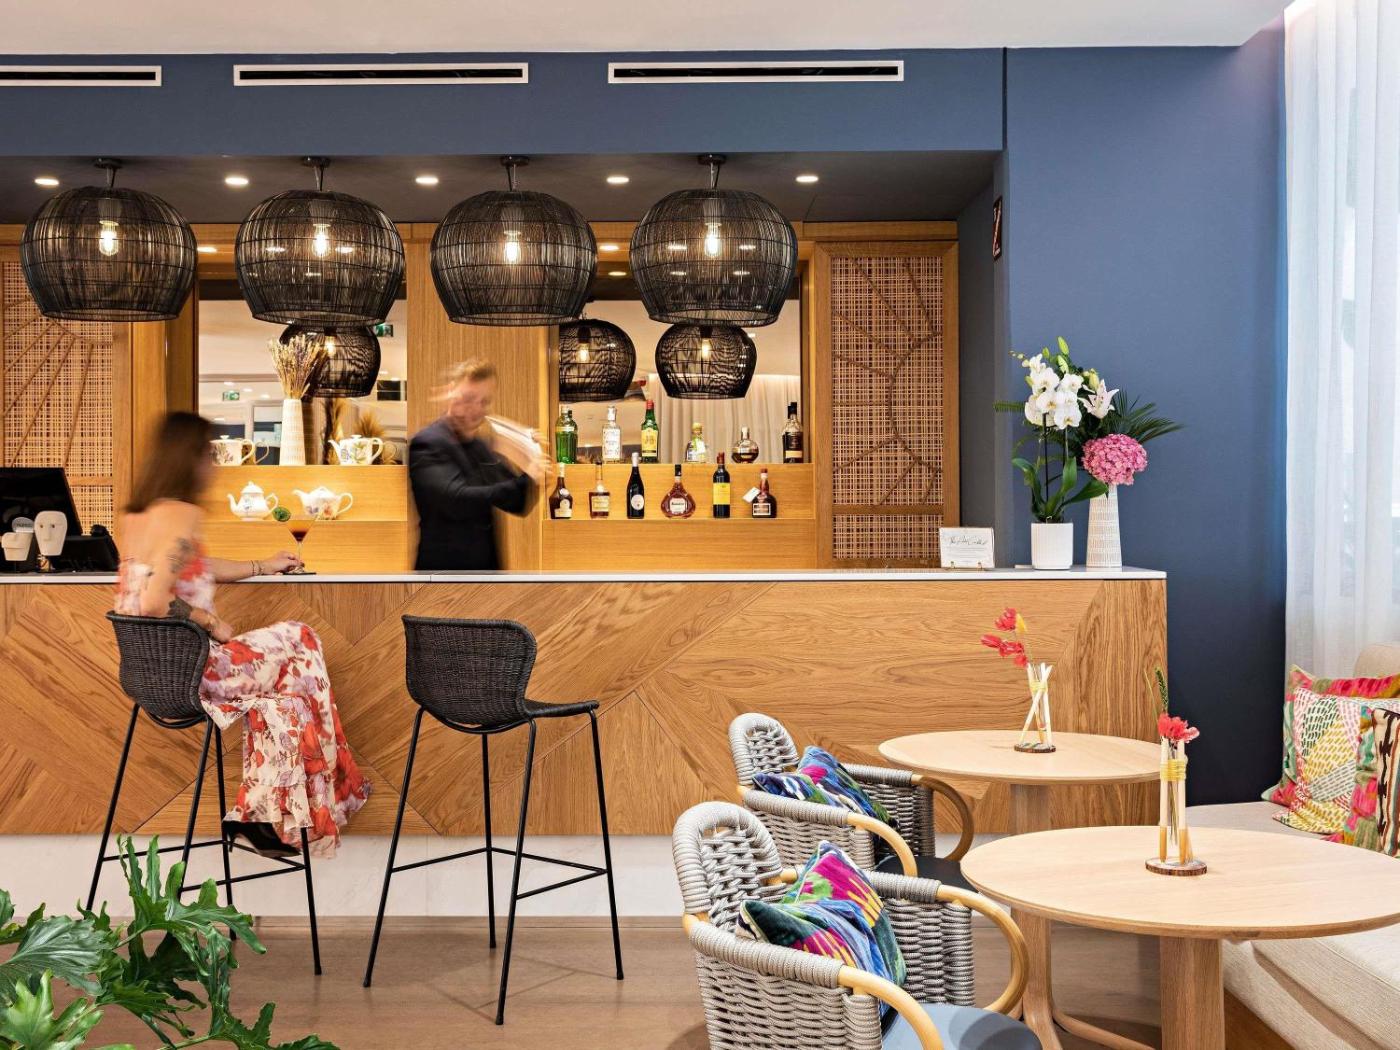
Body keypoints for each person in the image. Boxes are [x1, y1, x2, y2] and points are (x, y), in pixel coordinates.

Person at [113, 412, 371, 858]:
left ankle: (261, 817)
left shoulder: (136, 516)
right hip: (199, 670)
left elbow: (186, 569)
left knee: (286, 704)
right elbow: (154, 601)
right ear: (190, 458)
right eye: (209, 455)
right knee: (302, 637)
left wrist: (261, 566)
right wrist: (210, 621)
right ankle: (320, 795)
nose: (213, 465)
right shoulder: (184, 514)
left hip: (153, 675)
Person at [408, 359, 543, 570]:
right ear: (451, 392)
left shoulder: (480, 446)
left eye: (484, 401)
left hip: (485, 579)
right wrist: (528, 478)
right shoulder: (427, 442)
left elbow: (516, 501)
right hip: (441, 579)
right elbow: (455, 500)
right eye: (469, 398)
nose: (477, 409)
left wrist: (530, 461)